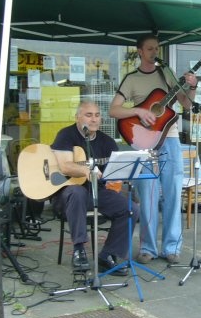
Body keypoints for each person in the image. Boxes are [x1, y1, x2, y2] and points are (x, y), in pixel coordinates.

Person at [109, 33, 198, 265]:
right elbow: (114, 110)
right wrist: (138, 111)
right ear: (139, 51)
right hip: (143, 142)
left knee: (172, 192)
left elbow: (187, 105)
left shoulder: (166, 74)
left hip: (170, 139)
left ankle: (172, 247)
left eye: (157, 48)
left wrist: (193, 87)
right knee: (147, 194)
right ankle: (147, 247)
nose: (154, 52)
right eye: (149, 49)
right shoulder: (131, 79)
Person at [51, 99, 139, 276]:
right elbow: (64, 166)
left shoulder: (107, 142)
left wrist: (117, 177)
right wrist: (85, 169)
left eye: (97, 115)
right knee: (77, 192)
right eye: (88, 115)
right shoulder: (66, 135)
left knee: (131, 209)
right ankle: (79, 250)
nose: (94, 119)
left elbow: (112, 177)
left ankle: (108, 255)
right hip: (65, 194)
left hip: (96, 192)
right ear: (77, 117)